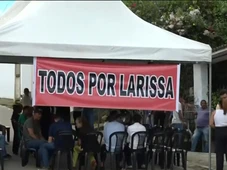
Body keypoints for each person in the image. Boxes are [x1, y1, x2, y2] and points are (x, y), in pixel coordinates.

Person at [210, 97, 227, 170]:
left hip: (218, 132)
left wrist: (217, 128)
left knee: (219, 154)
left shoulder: (214, 112)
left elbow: (211, 124)